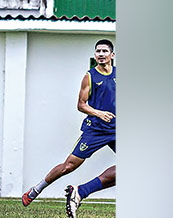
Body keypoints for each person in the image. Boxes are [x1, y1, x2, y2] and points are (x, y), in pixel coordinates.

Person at [21, 39, 116, 209]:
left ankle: (81, 191)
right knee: (68, 166)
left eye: (104, 51)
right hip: (95, 130)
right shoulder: (90, 77)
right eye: (98, 51)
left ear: (112, 55)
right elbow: (81, 105)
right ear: (95, 55)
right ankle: (36, 189)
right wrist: (98, 113)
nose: (101, 54)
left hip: (116, 130)